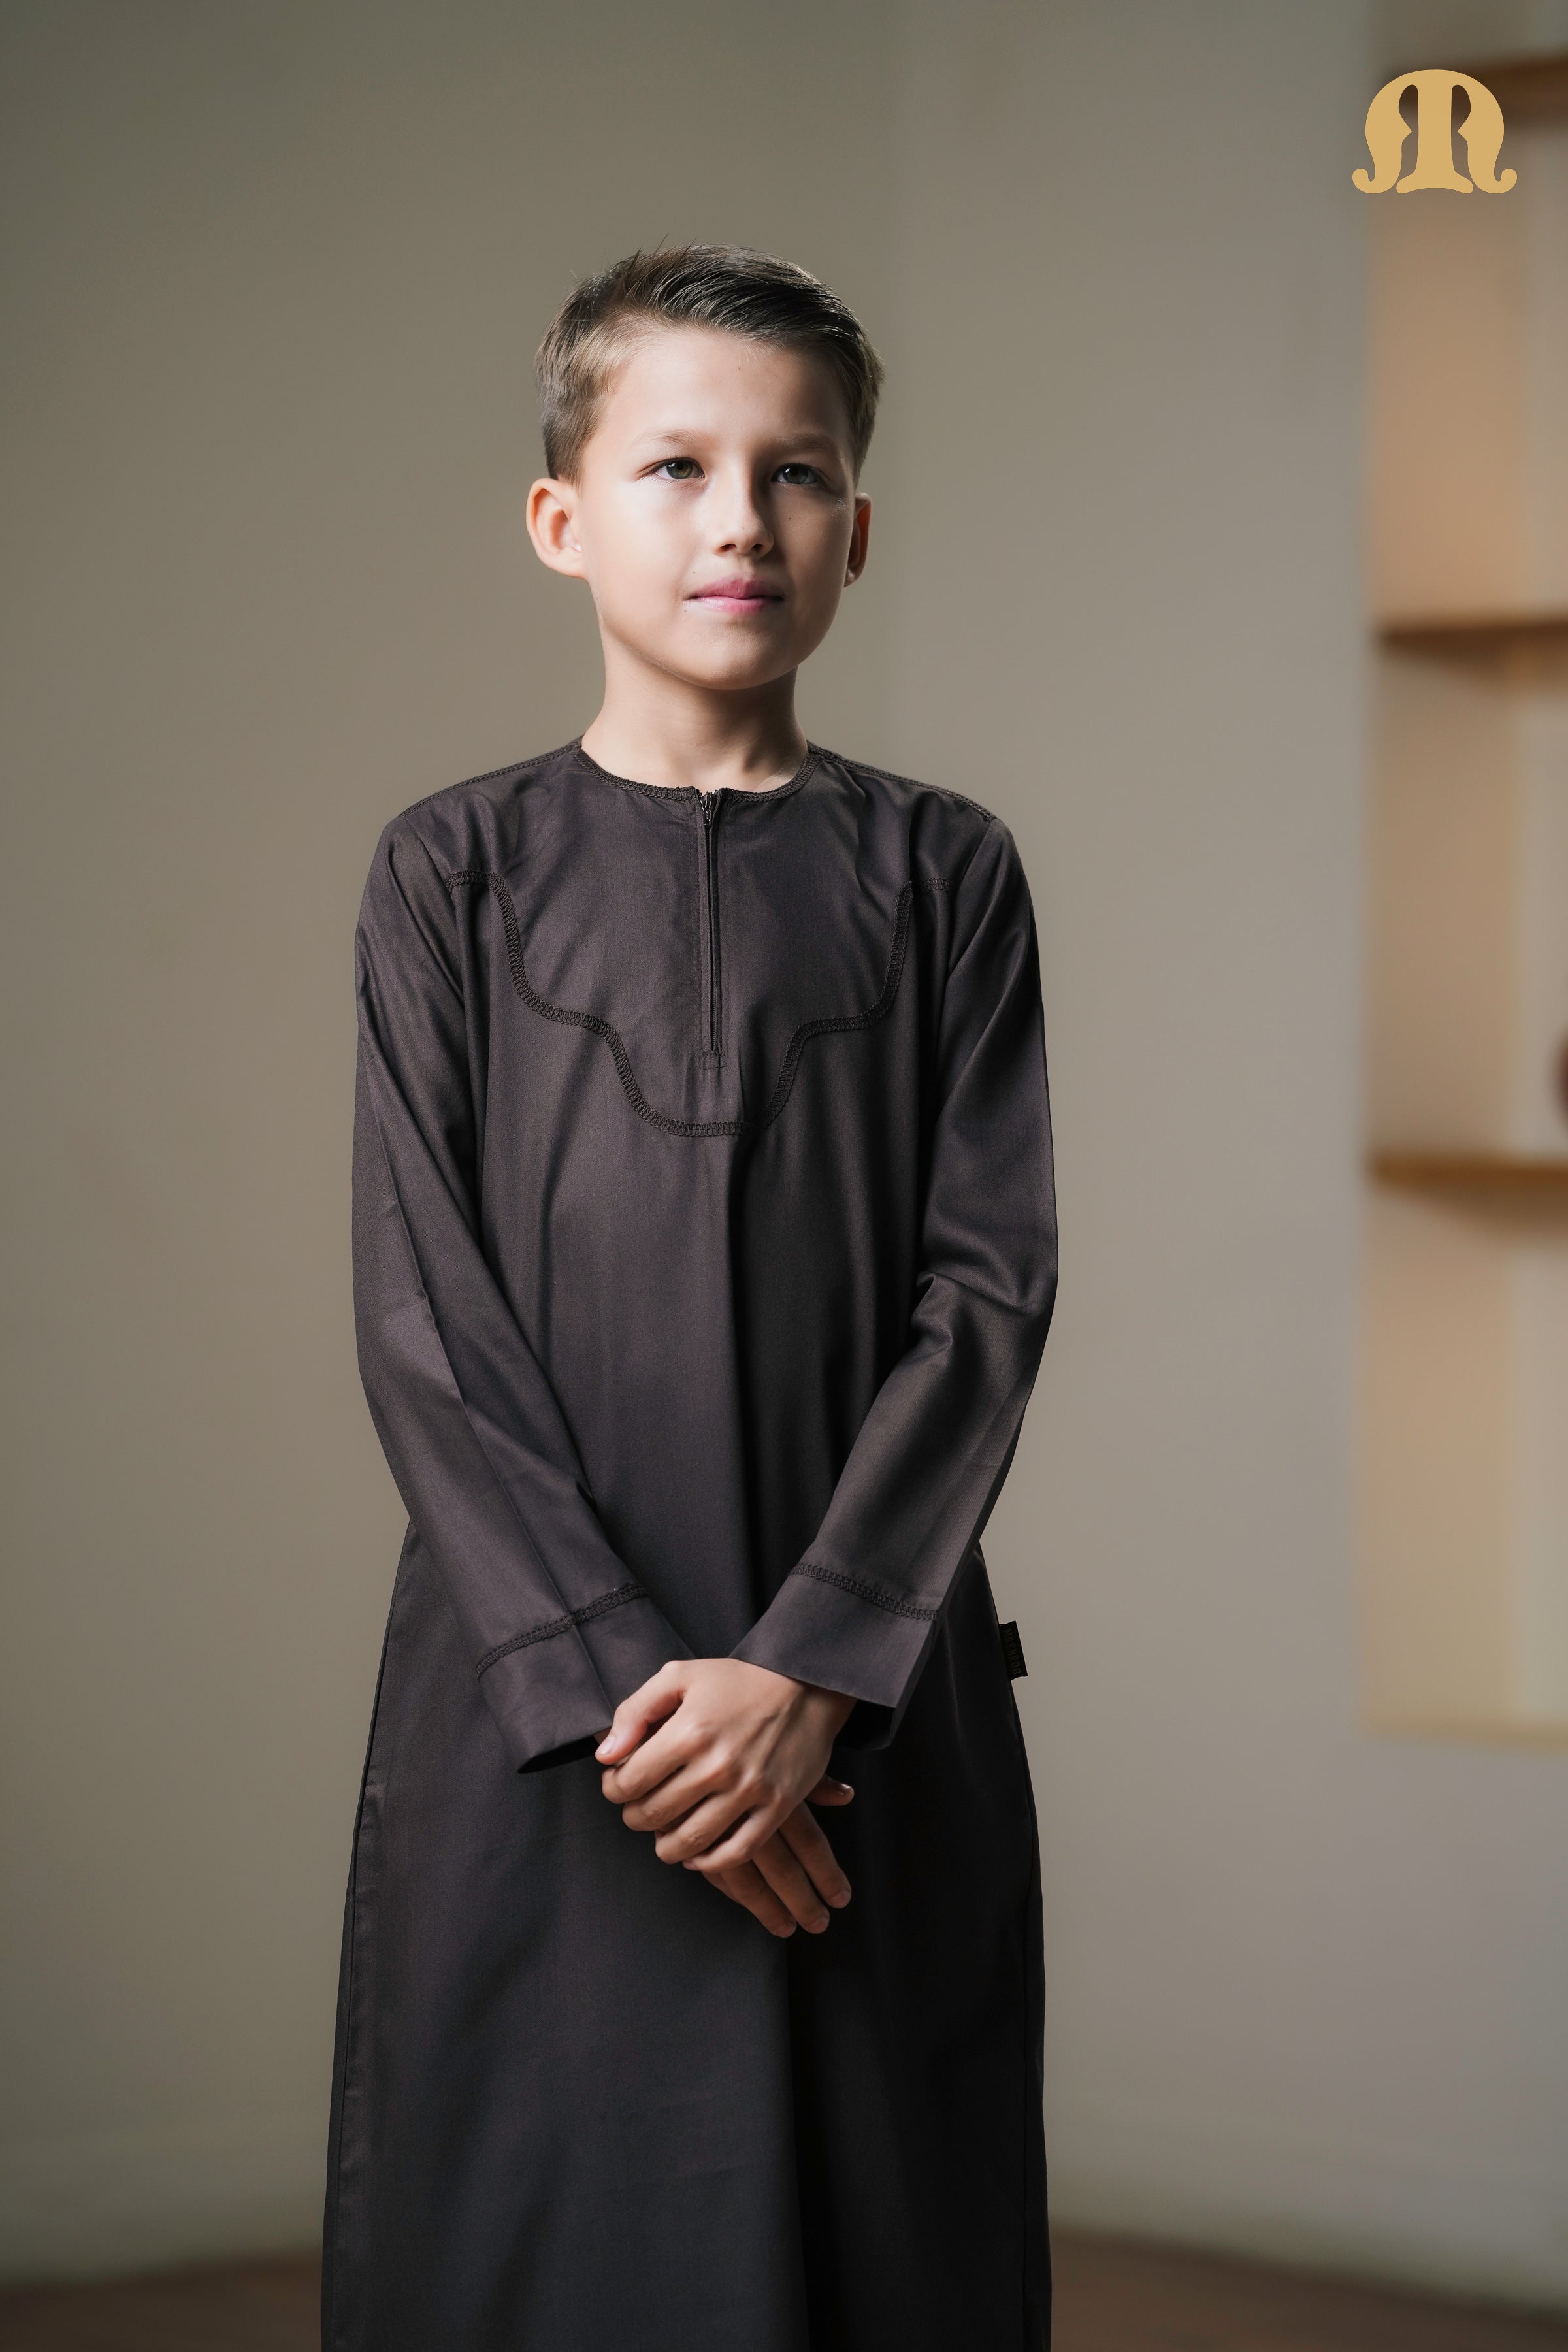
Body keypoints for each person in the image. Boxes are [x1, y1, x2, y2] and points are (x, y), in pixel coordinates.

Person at [324, 244, 1058, 2352]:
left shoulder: (950, 877)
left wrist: (811, 1677)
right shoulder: (448, 875)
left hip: (865, 1714)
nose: (742, 519)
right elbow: (424, 1320)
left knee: (884, 2248)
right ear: (562, 518)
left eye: (794, 472)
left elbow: (987, 1292)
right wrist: (633, 1713)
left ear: (858, 531)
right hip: (547, 1722)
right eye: (676, 466)